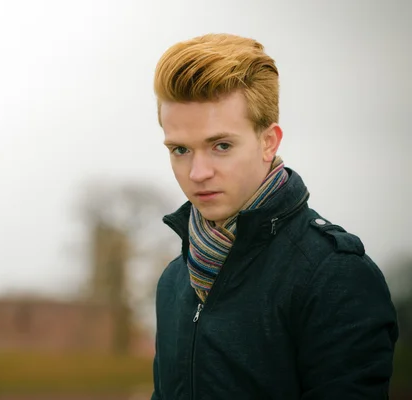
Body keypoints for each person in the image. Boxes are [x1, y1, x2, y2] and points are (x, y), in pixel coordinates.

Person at [150, 33, 399, 399]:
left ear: (269, 142)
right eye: (181, 149)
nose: (197, 172)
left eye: (221, 146)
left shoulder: (335, 276)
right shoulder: (175, 280)